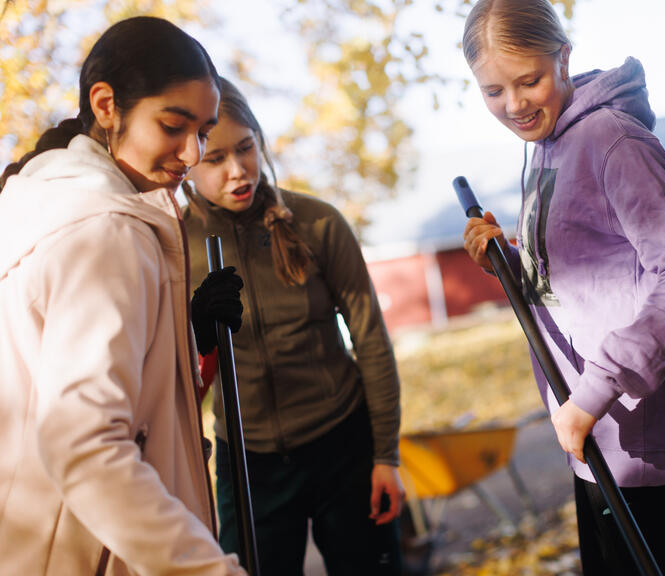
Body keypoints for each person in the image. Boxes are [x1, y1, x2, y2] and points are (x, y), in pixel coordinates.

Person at [460, 1, 665, 574]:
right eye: (492, 92)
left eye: (529, 81)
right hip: (589, 431)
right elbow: (587, 270)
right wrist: (508, 261)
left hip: (631, 432)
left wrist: (593, 391)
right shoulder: (546, 143)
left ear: (563, 58)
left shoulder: (613, 142)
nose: (513, 105)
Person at [0, 16, 247, 576]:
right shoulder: (107, 230)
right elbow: (85, 441)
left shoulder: (42, 205)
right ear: (106, 105)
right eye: (173, 125)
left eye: (204, 132)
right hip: (98, 554)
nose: (191, 154)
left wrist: (187, 337)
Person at [182, 77, 404, 576]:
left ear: (259, 141)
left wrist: (385, 455)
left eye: (245, 148)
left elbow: (370, 339)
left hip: (343, 446)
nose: (237, 171)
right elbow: (176, 376)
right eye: (215, 159)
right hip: (249, 461)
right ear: (189, 156)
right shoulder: (174, 247)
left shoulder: (319, 222)